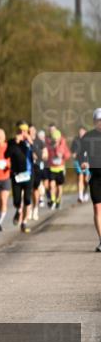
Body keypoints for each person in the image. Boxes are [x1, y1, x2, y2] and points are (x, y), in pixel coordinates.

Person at [6, 122, 35, 234]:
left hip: (28, 175)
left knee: (27, 199)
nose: (22, 134)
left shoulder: (29, 142)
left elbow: (38, 154)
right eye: (20, 131)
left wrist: (30, 142)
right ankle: (18, 210)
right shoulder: (12, 142)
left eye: (24, 131)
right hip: (16, 175)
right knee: (17, 200)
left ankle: (24, 222)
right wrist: (15, 143)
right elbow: (6, 155)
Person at [79, 108, 101, 251]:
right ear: (94, 121)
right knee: (97, 208)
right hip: (96, 177)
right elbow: (81, 154)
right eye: (98, 120)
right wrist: (84, 162)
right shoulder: (87, 137)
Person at [45, 127, 71, 209]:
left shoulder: (63, 146)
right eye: (54, 138)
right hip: (52, 168)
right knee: (51, 185)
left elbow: (68, 155)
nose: (55, 140)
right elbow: (46, 155)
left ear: (59, 138)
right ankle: (52, 200)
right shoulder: (49, 145)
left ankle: (58, 200)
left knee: (59, 186)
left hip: (60, 168)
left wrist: (62, 155)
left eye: (57, 138)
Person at [72, 126, 90, 203]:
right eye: (80, 132)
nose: (81, 133)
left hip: (87, 161)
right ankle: (80, 195)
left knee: (86, 179)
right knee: (80, 177)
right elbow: (72, 150)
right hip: (78, 161)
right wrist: (74, 153)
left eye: (82, 132)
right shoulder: (75, 140)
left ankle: (85, 192)